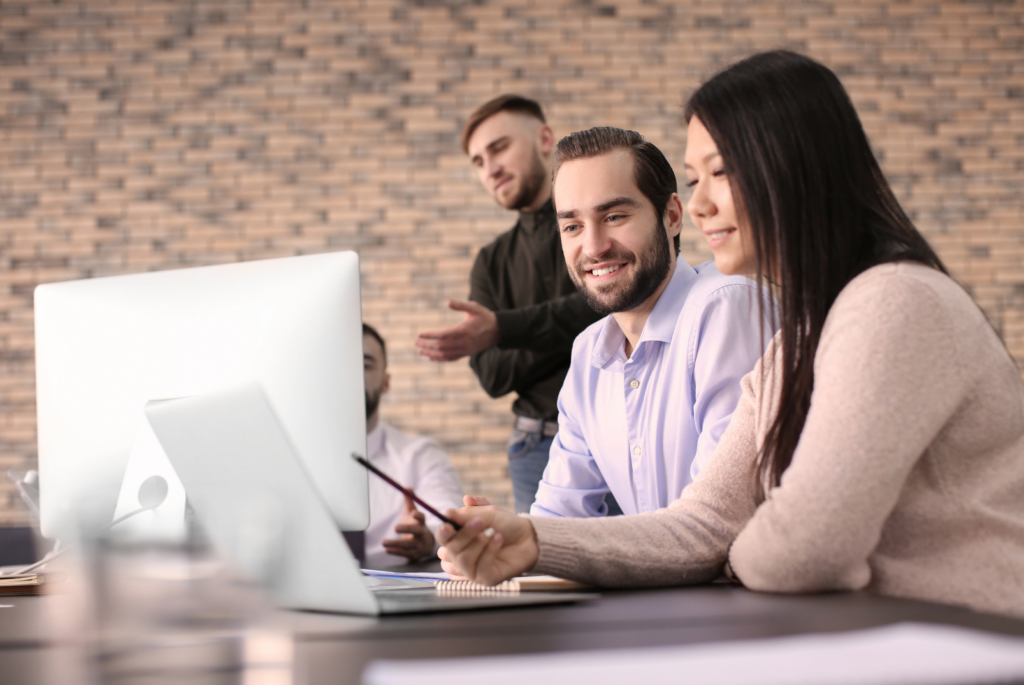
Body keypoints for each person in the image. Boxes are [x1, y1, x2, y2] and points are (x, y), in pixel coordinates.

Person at [435, 51, 1024, 618]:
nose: (699, 206)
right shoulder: (798, 340)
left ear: (795, 168)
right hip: (887, 634)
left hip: (974, 638)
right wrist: (530, 540)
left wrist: (727, 557)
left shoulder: (892, 300)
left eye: (720, 172)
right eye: (696, 179)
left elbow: (798, 549)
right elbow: (705, 526)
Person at [530, 127, 773, 518]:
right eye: (572, 226)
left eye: (614, 216)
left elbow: (720, 519)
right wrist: (497, 539)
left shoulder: (726, 309)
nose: (593, 247)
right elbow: (558, 513)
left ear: (672, 216)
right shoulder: (588, 354)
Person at [415, 95, 603, 513]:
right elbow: (492, 375)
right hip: (534, 447)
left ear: (544, 139)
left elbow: (607, 306)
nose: (490, 168)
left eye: (499, 148)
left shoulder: (595, 228)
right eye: (478, 161)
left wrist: (504, 329)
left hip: (618, 432)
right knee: (543, 558)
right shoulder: (491, 261)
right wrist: (573, 328)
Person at [361, 323, 464, 567]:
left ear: (386, 382)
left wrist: (429, 537)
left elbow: (448, 520)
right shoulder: (287, 461)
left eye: (365, 365)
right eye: (340, 364)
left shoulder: (421, 456)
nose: (350, 375)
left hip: (396, 580)